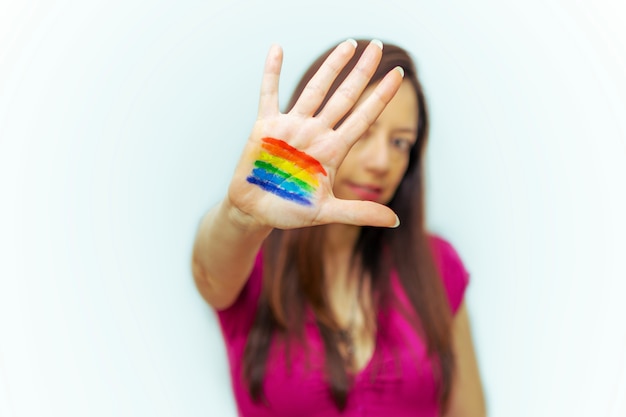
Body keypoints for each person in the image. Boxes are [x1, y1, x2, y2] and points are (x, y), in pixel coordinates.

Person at [191, 38, 486, 416]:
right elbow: (206, 269)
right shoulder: (250, 262)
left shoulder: (436, 263)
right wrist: (240, 216)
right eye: (362, 132)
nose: (383, 161)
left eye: (400, 142)